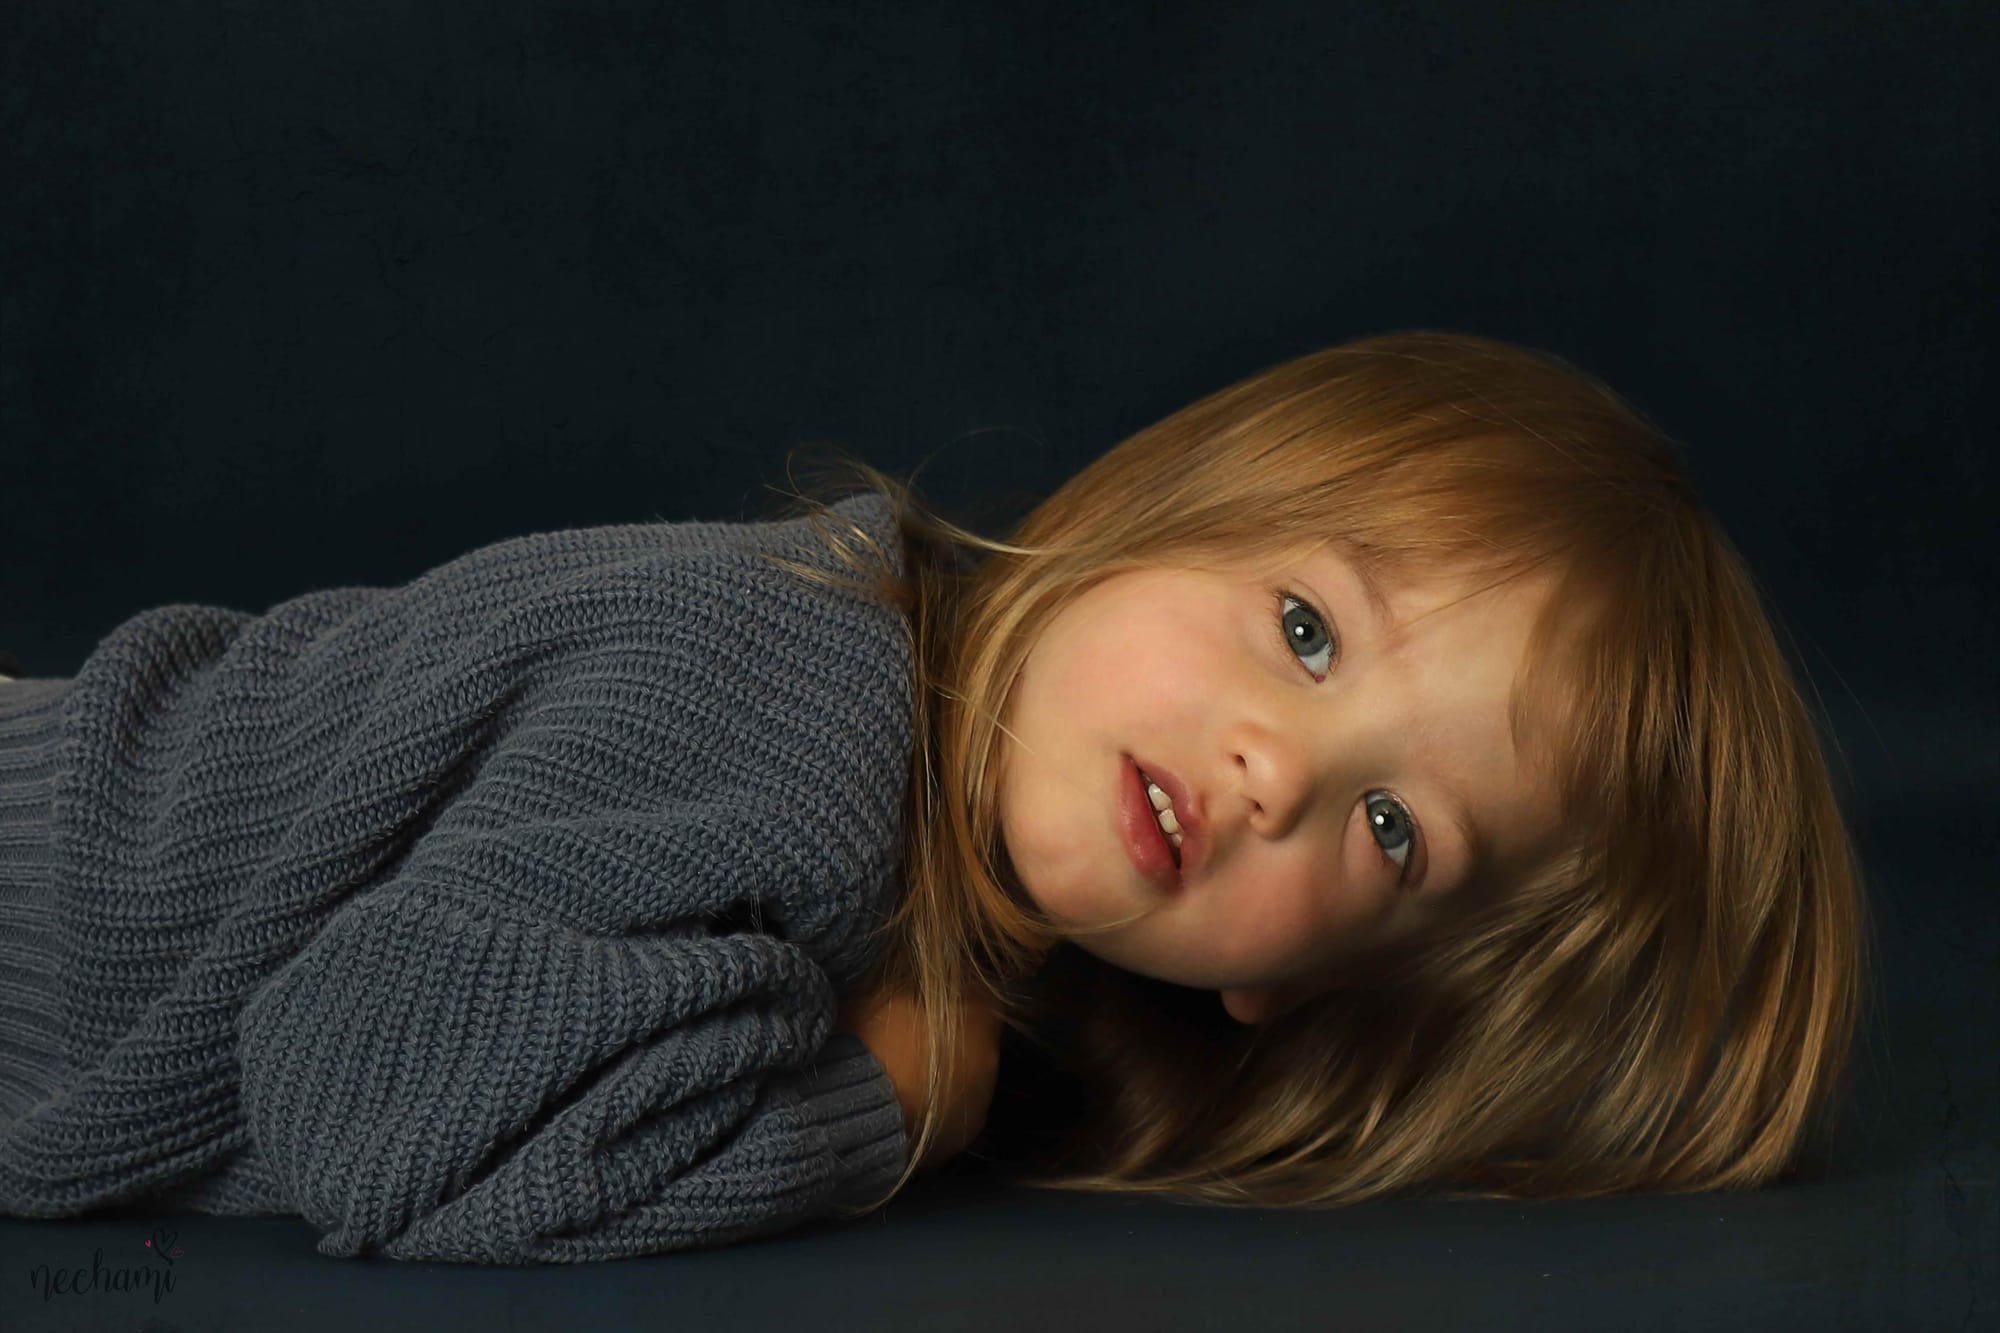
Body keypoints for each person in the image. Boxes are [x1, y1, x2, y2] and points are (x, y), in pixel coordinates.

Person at [0, 330, 1875, 1262]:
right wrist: (872, 1102)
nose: (1278, 771)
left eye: (1393, 831)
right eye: (1306, 627)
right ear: (1140, 523)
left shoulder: (931, 896)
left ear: (1298, 987)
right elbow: (352, 1096)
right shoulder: (805, 692)